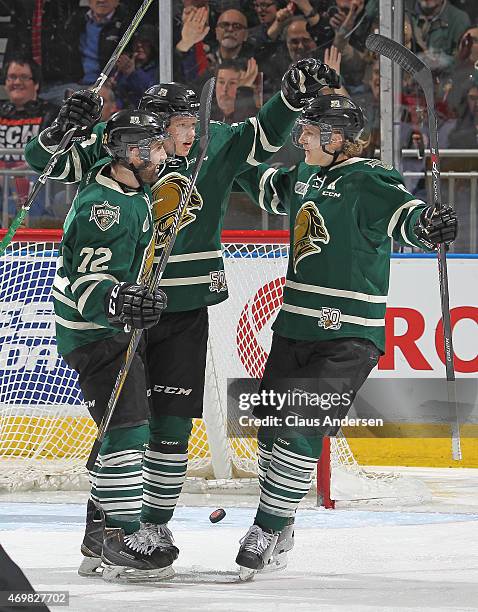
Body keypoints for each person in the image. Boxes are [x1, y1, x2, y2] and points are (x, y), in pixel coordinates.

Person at [25, 60, 341, 581]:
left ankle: (152, 526)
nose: (194, 132)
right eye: (183, 125)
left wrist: (289, 97)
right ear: (151, 126)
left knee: (170, 427)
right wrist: (62, 126)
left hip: (183, 308)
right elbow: (47, 162)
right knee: (123, 424)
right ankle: (107, 528)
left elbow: (262, 134)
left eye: (196, 123)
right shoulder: (123, 145)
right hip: (120, 312)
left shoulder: (211, 146)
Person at [233, 94, 458, 577]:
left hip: (347, 337)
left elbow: (407, 216)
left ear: (336, 138)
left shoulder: (370, 179)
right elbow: (258, 181)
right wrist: (220, 154)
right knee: (272, 435)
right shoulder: (306, 176)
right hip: (293, 329)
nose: (302, 139)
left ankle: (267, 524)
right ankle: (284, 522)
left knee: (299, 427)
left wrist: (429, 224)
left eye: (311, 132)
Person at [44, 107, 172, 579]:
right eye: (154, 146)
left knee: (124, 427)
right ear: (131, 152)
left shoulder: (130, 190)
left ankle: (97, 539)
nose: (162, 153)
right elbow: (86, 280)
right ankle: (121, 536)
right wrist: (118, 300)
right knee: (127, 429)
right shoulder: (106, 207)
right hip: (95, 333)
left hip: (108, 331)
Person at [0, 56, 58, 222]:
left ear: (36, 84)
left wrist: (14, 174)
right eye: (12, 77)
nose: (17, 82)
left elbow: (50, 156)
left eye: (24, 77)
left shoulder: (51, 114)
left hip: (36, 184)